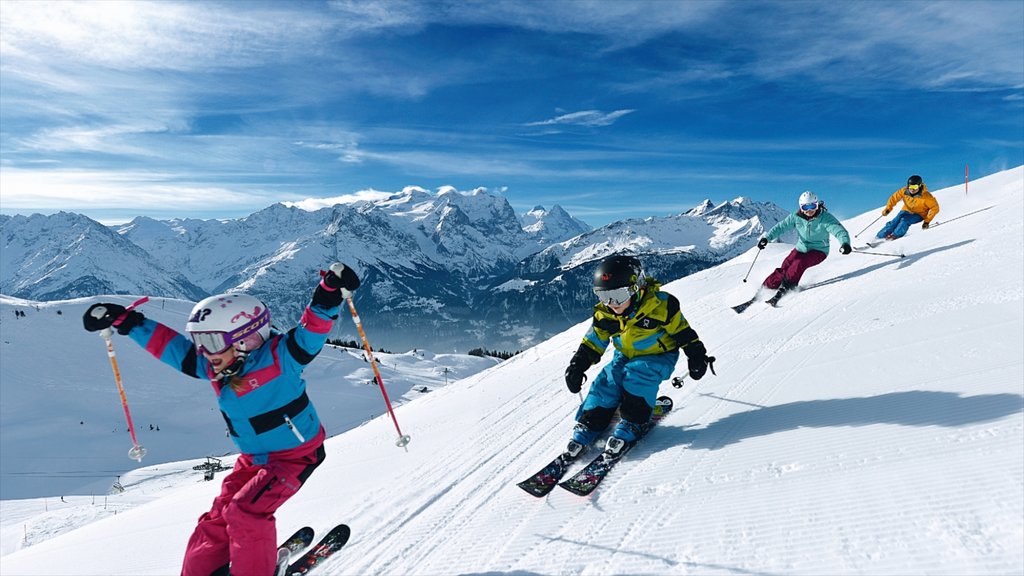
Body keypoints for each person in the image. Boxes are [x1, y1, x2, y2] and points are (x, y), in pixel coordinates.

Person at [82, 263, 360, 576]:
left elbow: (311, 332)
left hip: (294, 457)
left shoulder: (282, 357)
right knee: (216, 521)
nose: (204, 352)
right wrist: (129, 322)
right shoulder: (218, 368)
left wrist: (327, 294)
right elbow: (173, 349)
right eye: (201, 343)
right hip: (254, 459)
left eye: (211, 343)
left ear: (247, 339)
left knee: (246, 513)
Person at [564, 255, 714, 457]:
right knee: (607, 380)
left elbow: (682, 332)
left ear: (636, 288)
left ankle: (633, 422)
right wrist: (577, 365)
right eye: (603, 296)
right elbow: (594, 341)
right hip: (624, 354)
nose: (611, 303)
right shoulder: (606, 314)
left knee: (637, 376)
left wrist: (696, 355)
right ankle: (591, 421)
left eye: (616, 296)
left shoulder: (661, 306)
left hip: (659, 355)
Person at [756, 191, 852, 305]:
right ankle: (767, 287)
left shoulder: (825, 218)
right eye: (805, 207)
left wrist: (845, 243)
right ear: (801, 207)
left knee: (799, 263)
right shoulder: (796, 217)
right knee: (786, 266)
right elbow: (780, 227)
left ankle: (788, 286)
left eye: (812, 206)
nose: (809, 210)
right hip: (801, 248)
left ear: (817, 205)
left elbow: (839, 230)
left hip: (819, 250)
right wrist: (766, 238)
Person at [875, 174, 940, 240]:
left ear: (919, 186)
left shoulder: (927, 197)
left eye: (915, 187)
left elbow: (934, 208)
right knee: (895, 221)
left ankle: (895, 235)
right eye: (910, 186)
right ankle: (880, 236)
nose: (912, 189)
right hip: (906, 210)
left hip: (919, 214)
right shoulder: (904, 191)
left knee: (905, 220)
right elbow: (894, 198)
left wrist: (927, 221)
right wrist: (888, 208)